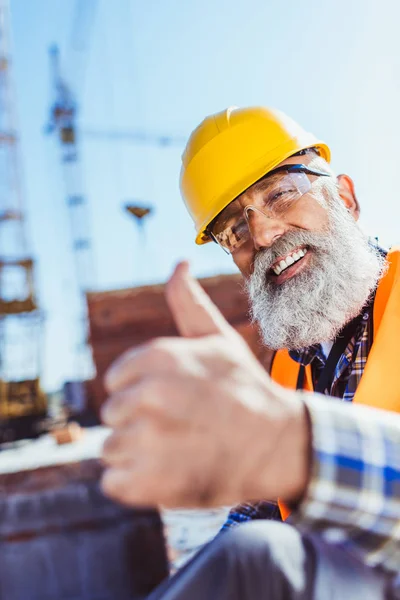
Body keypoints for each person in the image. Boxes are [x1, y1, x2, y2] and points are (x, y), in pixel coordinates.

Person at [100, 107, 400, 598]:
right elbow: (253, 516)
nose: (262, 236)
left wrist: (297, 447)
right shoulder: (286, 372)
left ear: (344, 198)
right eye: (235, 230)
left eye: (281, 194)